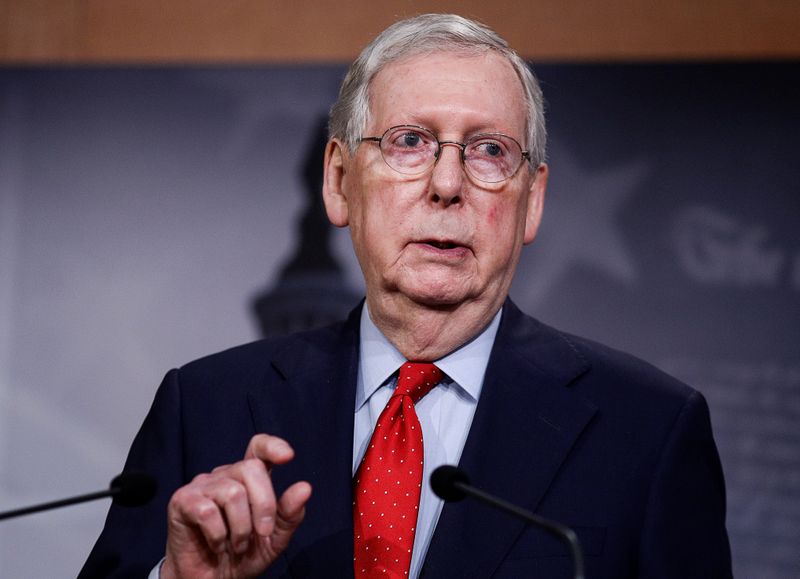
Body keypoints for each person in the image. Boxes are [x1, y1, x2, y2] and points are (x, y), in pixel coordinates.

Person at [80, 13, 732, 579]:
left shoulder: (648, 430)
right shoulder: (204, 407)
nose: (447, 184)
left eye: (489, 150)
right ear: (338, 181)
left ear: (532, 201)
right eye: (410, 142)